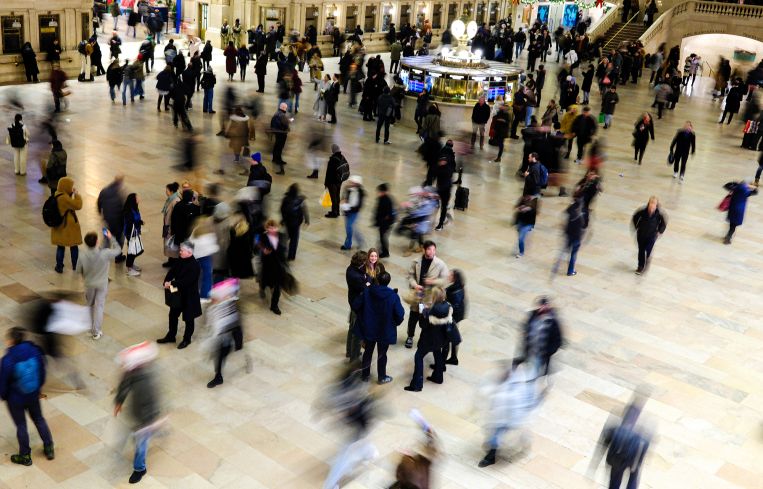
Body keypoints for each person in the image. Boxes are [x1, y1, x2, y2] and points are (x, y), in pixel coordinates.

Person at [0, 327, 55, 466]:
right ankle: (49, 448)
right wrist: (38, 388)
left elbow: (3, 382)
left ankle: (25, 456)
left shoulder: (8, 359)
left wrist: (5, 396)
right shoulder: (35, 351)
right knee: (39, 419)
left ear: (11, 340)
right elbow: (42, 371)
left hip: (16, 399)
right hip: (33, 394)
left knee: (21, 425)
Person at [477, 363, 545, 468]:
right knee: (495, 436)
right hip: (502, 418)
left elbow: (522, 405)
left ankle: (491, 456)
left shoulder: (520, 389)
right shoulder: (505, 385)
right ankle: (491, 455)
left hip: (511, 419)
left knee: (500, 436)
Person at [113, 341, 162, 484]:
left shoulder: (148, 376)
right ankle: (154, 431)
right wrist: (119, 401)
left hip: (147, 415)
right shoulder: (133, 372)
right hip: (138, 412)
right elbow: (124, 385)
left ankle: (139, 469)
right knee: (139, 438)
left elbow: (153, 398)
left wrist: (150, 419)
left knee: (141, 443)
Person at [352, 271, 404, 384]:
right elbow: (400, 314)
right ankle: (382, 377)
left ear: (378, 280)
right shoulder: (393, 296)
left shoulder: (367, 291)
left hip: (369, 328)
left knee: (368, 352)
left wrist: (363, 316)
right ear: (388, 282)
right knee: (382, 354)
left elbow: (356, 305)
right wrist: (394, 323)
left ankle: (365, 376)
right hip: (385, 330)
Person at [589, 396, 651, 489]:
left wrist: (594, 465)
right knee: (632, 479)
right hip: (631, 461)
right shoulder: (640, 434)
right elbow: (644, 448)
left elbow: (602, 446)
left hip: (616, 460)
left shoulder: (614, 429)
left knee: (614, 481)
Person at [404, 287, 451, 392]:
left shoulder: (430, 311)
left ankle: (417, 384)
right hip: (441, 339)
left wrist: (422, 308)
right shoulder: (447, 306)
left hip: (429, 339)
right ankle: (438, 377)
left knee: (418, 357)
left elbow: (422, 325)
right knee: (437, 353)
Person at [206, 279, 250, 387]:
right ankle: (218, 376)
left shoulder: (232, 306)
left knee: (224, 354)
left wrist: (238, 341)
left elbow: (237, 325)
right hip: (220, 337)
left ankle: (219, 375)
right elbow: (211, 320)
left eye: (215, 299)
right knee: (219, 356)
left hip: (229, 337)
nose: (213, 300)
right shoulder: (214, 307)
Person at [77, 230, 121, 339]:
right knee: (99, 306)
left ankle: (89, 327)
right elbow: (118, 250)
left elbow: (78, 270)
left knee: (90, 305)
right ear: (97, 241)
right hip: (102, 284)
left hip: (89, 284)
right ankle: (96, 331)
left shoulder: (82, 255)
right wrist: (111, 237)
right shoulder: (105, 253)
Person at [405, 241, 449, 348]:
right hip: (418, 295)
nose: (432, 252)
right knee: (413, 317)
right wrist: (415, 285)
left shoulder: (440, 264)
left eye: (433, 250)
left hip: (428, 298)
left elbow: (445, 280)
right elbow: (410, 276)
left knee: (424, 318)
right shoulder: (416, 262)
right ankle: (410, 336)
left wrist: (432, 282)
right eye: (429, 249)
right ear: (424, 250)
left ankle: (423, 338)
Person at [159, 241, 202, 348]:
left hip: (189, 297)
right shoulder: (180, 260)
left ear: (189, 252)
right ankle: (171, 336)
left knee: (189, 319)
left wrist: (171, 283)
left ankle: (187, 339)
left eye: (182, 250)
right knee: (172, 315)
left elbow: (186, 282)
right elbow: (172, 271)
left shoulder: (194, 266)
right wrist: (166, 281)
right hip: (178, 295)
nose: (180, 252)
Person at [514, 296, 563, 376]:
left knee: (535, 371)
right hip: (530, 350)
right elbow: (526, 326)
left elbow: (558, 341)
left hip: (541, 353)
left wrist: (548, 352)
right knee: (526, 366)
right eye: (541, 305)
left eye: (545, 306)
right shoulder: (533, 315)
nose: (542, 308)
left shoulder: (552, 322)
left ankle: (534, 378)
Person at [50, 177, 82, 273]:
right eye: (70, 186)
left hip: (59, 227)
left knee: (60, 246)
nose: (72, 188)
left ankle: (59, 266)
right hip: (68, 227)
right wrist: (77, 195)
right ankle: (75, 266)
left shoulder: (57, 195)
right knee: (73, 246)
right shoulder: (64, 198)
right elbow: (78, 205)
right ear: (65, 187)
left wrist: (70, 194)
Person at [257, 219, 288, 315]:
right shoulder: (263, 236)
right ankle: (262, 288)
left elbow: (283, 249)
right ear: (267, 228)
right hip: (267, 264)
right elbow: (258, 244)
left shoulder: (282, 236)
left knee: (277, 286)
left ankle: (274, 306)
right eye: (270, 228)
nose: (272, 229)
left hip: (278, 265)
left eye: (274, 227)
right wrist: (263, 250)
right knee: (265, 281)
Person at [631, 196, 667, 274]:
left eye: (654, 204)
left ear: (656, 205)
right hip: (641, 235)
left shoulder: (659, 214)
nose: (652, 205)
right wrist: (637, 226)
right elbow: (635, 217)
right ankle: (640, 266)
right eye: (651, 203)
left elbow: (663, 224)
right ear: (648, 203)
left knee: (648, 249)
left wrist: (659, 231)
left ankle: (647, 259)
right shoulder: (642, 211)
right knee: (641, 250)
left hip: (652, 235)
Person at [97, 175, 127, 263]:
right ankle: (118, 257)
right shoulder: (120, 193)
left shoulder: (104, 190)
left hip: (107, 220)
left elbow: (99, 202)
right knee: (119, 239)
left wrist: (100, 212)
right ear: (120, 182)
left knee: (106, 238)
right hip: (118, 222)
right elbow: (123, 207)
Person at [554, 197, 585, 277]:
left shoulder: (571, 211)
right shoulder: (579, 218)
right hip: (575, 238)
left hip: (568, 235)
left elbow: (566, 212)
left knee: (564, 251)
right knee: (573, 254)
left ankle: (557, 265)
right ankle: (570, 271)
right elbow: (581, 229)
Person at [346, 251, 368, 361]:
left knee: (351, 329)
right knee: (356, 332)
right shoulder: (356, 276)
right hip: (357, 305)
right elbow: (365, 287)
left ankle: (349, 352)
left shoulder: (351, 268)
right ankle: (353, 357)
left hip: (353, 301)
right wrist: (368, 280)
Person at [280, 183, 310, 260]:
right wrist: (307, 220)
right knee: (294, 239)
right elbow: (305, 211)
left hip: (288, 222)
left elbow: (282, 210)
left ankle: (282, 250)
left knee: (287, 236)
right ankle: (291, 255)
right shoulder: (300, 200)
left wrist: (283, 220)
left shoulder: (286, 199)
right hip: (296, 223)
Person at [724, 180, 758, 244]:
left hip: (732, 208)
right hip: (739, 210)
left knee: (732, 224)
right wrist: (753, 187)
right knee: (733, 226)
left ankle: (728, 236)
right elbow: (755, 192)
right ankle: (728, 238)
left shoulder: (735, 189)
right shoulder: (746, 192)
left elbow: (726, 185)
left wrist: (735, 182)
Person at [434, 141, 456, 230]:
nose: (441, 162)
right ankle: (445, 211)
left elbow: (447, 181)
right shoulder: (441, 166)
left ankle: (441, 223)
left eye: (442, 161)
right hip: (441, 187)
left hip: (445, 189)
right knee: (440, 205)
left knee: (443, 206)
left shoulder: (447, 169)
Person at [340, 175, 365, 250]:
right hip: (347, 211)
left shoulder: (361, 192)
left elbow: (359, 205)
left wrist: (349, 207)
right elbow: (343, 198)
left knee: (349, 227)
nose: (350, 183)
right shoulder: (347, 189)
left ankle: (348, 245)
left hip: (354, 213)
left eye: (352, 182)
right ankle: (355, 242)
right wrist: (343, 203)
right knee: (350, 228)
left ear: (357, 184)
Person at [122, 193, 144, 276]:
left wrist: (140, 222)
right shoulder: (129, 211)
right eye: (137, 197)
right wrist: (139, 222)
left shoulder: (135, 208)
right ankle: (129, 269)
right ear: (133, 200)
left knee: (133, 249)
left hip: (135, 232)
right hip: (131, 234)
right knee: (132, 250)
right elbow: (131, 222)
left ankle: (131, 264)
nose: (139, 198)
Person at [325, 144, 349, 218]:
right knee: (337, 195)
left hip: (332, 182)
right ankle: (337, 211)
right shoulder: (342, 157)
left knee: (333, 197)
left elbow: (329, 173)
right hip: (339, 181)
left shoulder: (333, 159)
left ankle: (334, 213)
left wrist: (326, 183)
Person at [373, 183, 395, 258]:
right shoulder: (381, 199)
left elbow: (388, 215)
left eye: (379, 191)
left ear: (383, 191)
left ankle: (385, 252)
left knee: (383, 238)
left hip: (385, 224)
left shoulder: (387, 200)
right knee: (382, 237)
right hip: (382, 223)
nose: (378, 193)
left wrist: (382, 222)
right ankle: (381, 250)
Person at [270, 102, 290, 175]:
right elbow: (285, 124)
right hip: (281, 133)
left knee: (276, 146)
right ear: (284, 108)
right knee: (279, 147)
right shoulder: (282, 115)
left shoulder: (277, 113)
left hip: (277, 132)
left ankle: (275, 159)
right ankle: (278, 160)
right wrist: (289, 122)